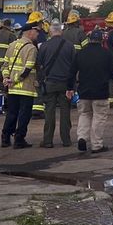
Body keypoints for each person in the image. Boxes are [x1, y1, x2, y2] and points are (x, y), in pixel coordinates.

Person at [75, 29, 113, 153]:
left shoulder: (81, 53)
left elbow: (72, 70)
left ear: (89, 40)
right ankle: (96, 145)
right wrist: (107, 77)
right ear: (101, 40)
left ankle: (82, 137)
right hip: (101, 91)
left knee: (84, 114)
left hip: (84, 91)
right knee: (99, 117)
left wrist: (70, 87)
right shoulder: (106, 54)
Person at [0, 21, 40, 149]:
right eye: (36, 31)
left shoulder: (12, 45)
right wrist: (16, 80)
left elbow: (5, 65)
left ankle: (5, 138)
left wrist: (7, 78)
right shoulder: (31, 48)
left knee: (12, 113)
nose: (38, 34)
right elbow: (28, 68)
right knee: (24, 114)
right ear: (30, 32)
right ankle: (19, 139)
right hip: (26, 88)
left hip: (12, 88)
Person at [37, 20, 76, 148]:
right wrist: (73, 86)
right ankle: (66, 140)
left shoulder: (44, 46)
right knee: (65, 112)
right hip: (65, 84)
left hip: (50, 83)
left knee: (49, 112)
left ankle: (48, 141)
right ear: (61, 31)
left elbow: (39, 65)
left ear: (50, 32)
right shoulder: (70, 46)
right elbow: (74, 67)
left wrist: (41, 80)